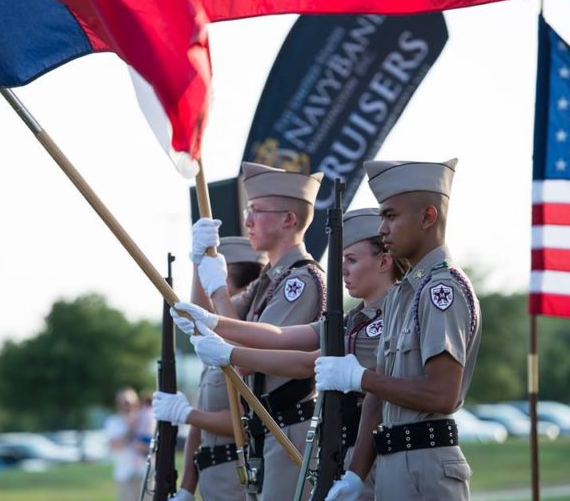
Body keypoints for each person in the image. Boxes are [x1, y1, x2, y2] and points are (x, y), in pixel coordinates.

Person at [171, 208, 409, 500]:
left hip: (366, 454)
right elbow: (281, 335)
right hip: (339, 448)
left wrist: (229, 353)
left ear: (384, 261)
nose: (342, 270)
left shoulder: (387, 320)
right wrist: (211, 321)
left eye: (351, 260)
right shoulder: (353, 320)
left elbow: (305, 362)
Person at [316, 158, 482, 500]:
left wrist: (359, 378)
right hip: (393, 464)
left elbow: (442, 394)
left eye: (391, 216)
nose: (382, 229)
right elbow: (378, 396)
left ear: (427, 217)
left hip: (427, 467)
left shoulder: (442, 291)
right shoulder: (402, 295)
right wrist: (355, 476)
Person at [184, 162, 326, 499]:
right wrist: (199, 263)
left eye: (257, 211)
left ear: (288, 220)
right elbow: (204, 321)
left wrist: (219, 290)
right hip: (268, 427)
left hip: (290, 426)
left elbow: (249, 360)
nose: (247, 220)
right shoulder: (269, 282)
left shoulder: (299, 281)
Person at [154, 237, 267, 501]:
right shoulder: (215, 350)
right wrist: (186, 489)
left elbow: (243, 420)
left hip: (237, 477)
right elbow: (199, 430)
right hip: (211, 478)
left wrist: (187, 413)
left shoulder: (247, 350)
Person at [104, 388, 146, 501]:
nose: (127, 406)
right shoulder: (113, 422)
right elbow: (114, 446)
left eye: (129, 403)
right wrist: (130, 430)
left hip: (146, 474)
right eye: (123, 403)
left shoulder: (146, 419)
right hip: (124, 475)